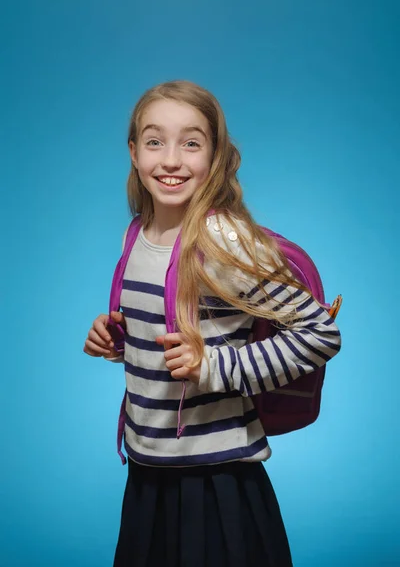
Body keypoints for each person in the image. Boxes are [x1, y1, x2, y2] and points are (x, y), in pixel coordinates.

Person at [83, 80, 341, 567]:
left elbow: (318, 334)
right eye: (155, 141)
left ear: (215, 155)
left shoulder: (222, 242)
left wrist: (215, 366)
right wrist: (118, 339)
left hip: (218, 481)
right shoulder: (136, 233)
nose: (172, 160)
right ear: (134, 152)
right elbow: (167, 329)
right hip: (147, 471)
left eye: (192, 142)